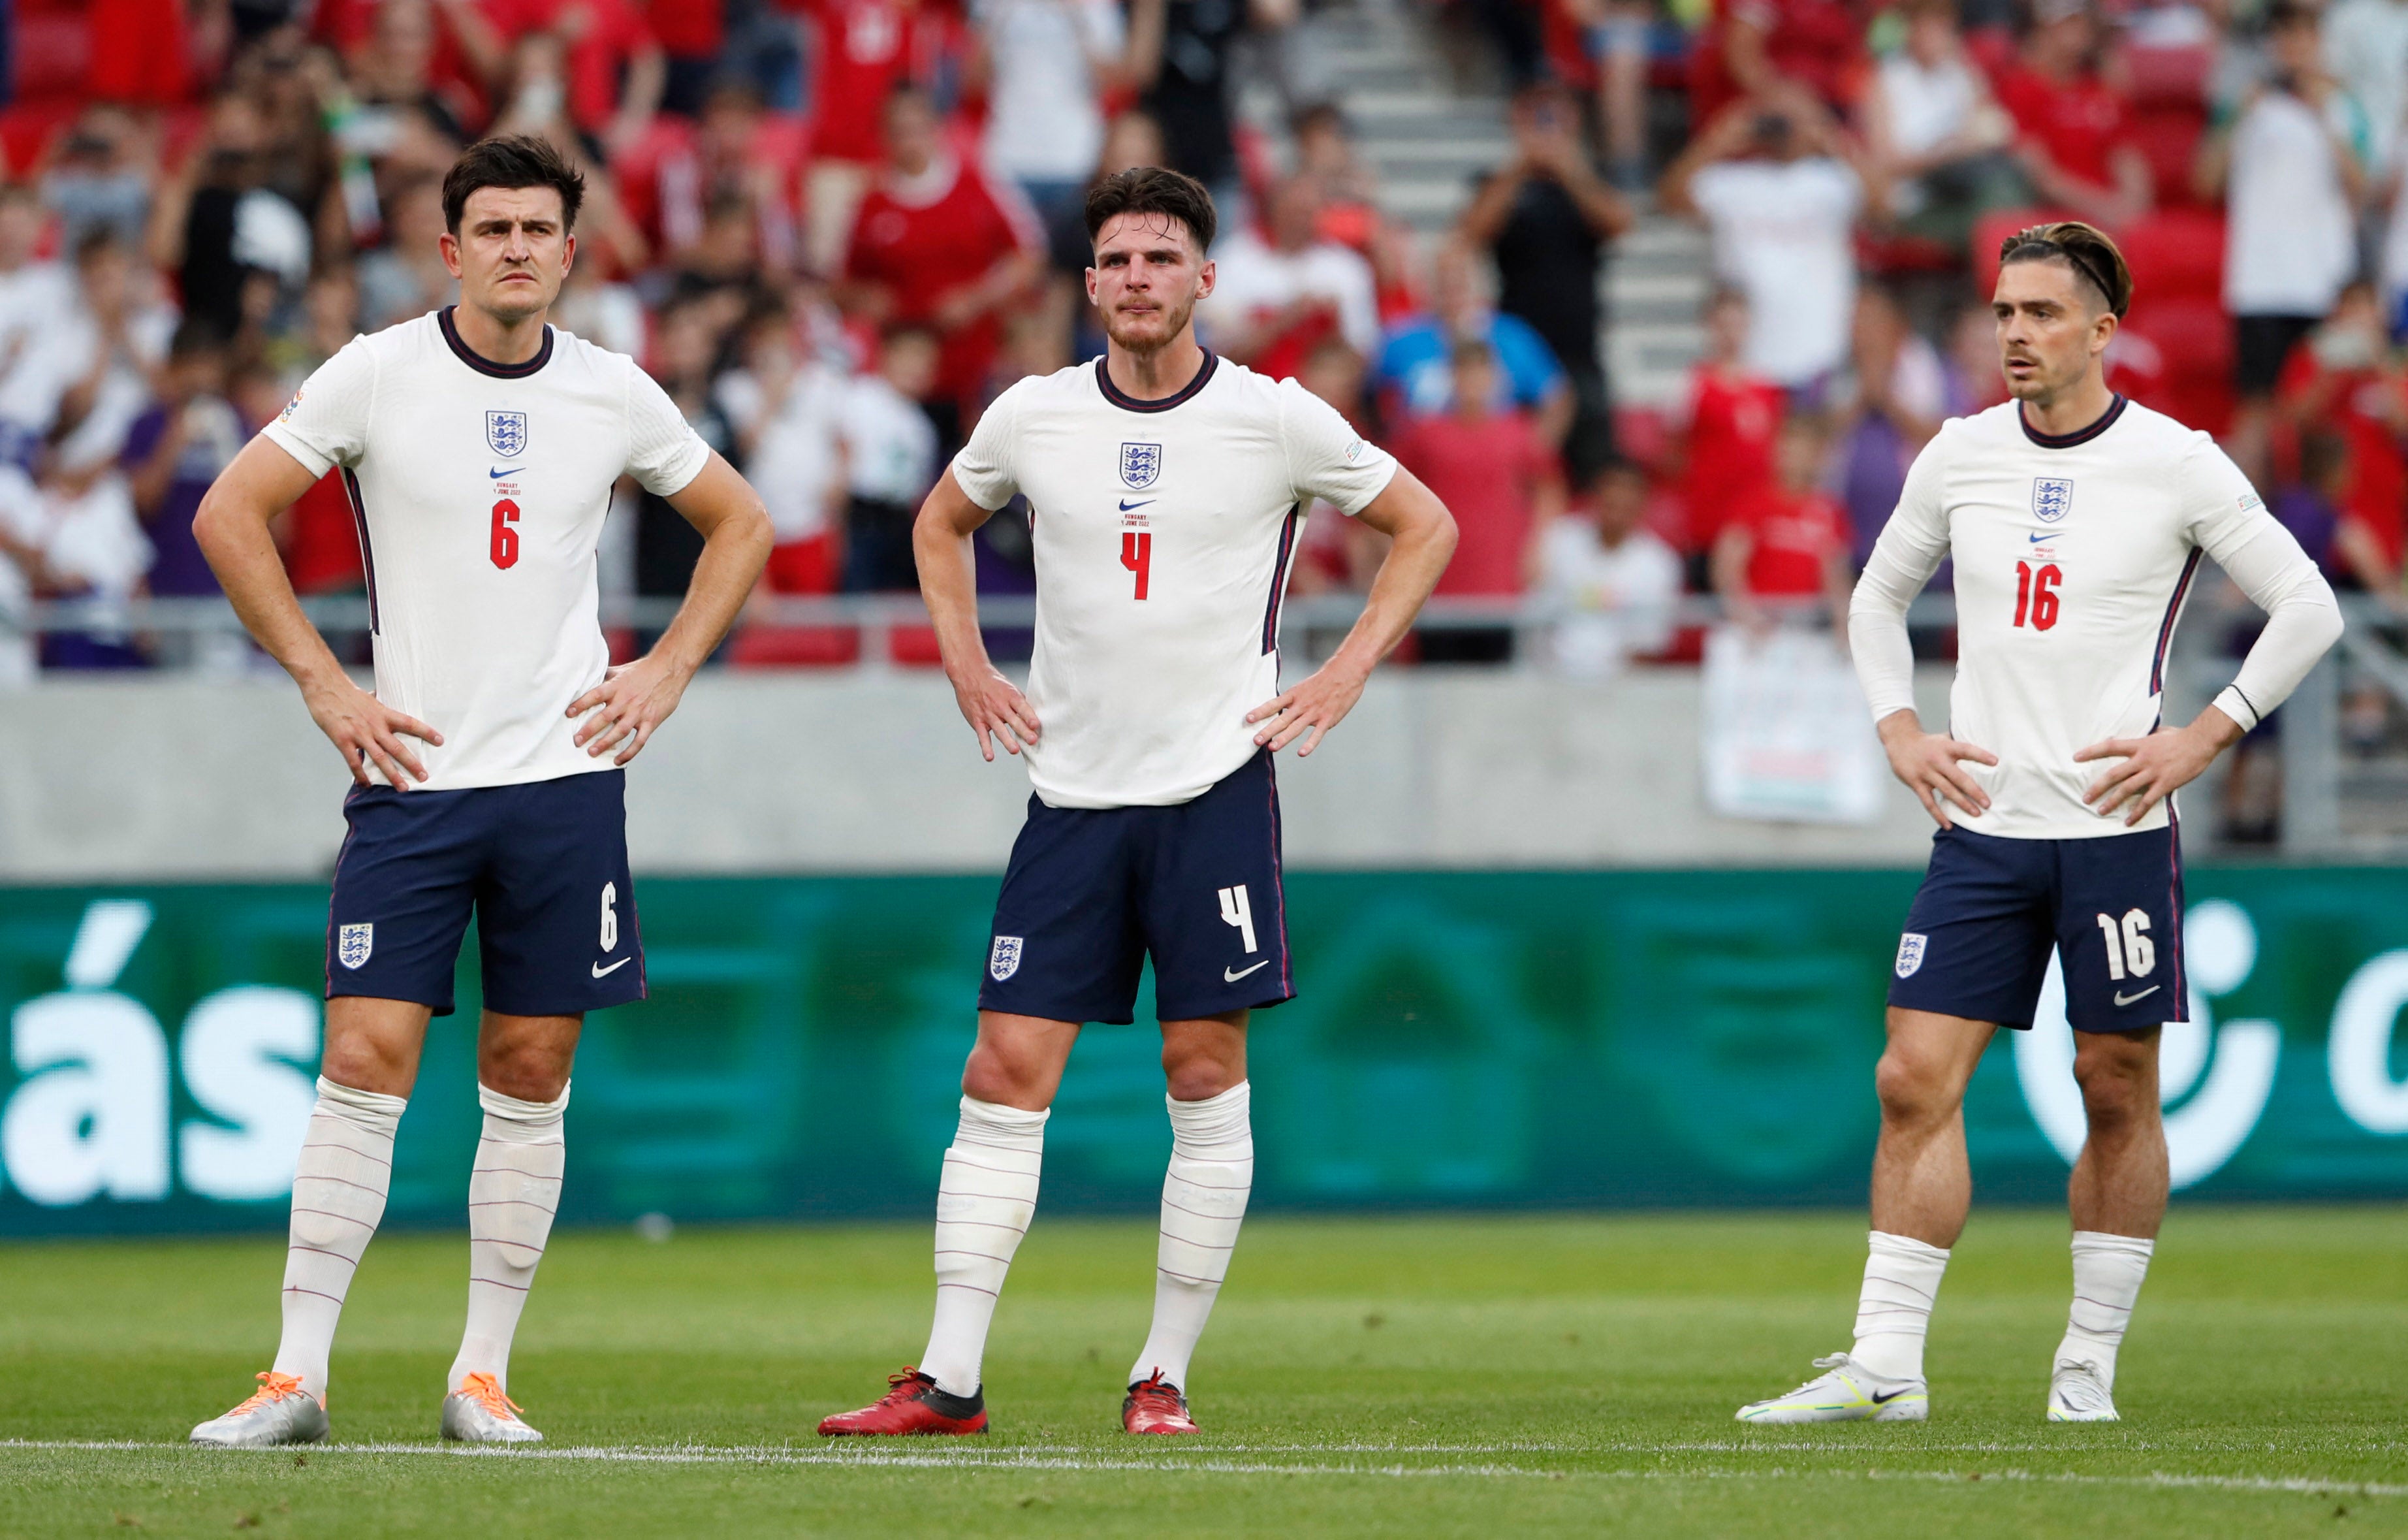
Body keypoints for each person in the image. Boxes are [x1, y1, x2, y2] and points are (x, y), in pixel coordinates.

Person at [817, 166, 1456, 1439]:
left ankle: (1159, 1374)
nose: (1135, 281)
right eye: (1113, 261)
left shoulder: (1275, 418)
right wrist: (961, 658)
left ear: (1204, 279)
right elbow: (939, 528)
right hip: (1071, 797)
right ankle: (948, 1380)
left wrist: (1341, 668)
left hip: (1211, 789)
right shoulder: (1032, 415)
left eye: (1159, 259)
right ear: (1090, 283)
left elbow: (1421, 524)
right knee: (1001, 1067)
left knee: (1200, 1065)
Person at [183, 135, 772, 1449]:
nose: (515, 247)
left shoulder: (614, 391)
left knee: (528, 1070)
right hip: (415, 781)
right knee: (363, 1060)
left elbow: (742, 524)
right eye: (490, 227)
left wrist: (666, 670)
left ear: (572, 250)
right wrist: (325, 685)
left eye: (537, 228)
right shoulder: (378, 374)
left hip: (562, 786)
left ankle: (482, 1379)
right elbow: (231, 512)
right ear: (449, 250)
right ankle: (294, 1378)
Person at [1737, 221, 2343, 1426]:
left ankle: (2085, 1366)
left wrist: (2204, 733)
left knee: (2110, 1083)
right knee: (1909, 1076)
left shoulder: (2177, 461)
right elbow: (1875, 596)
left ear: (2101, 329)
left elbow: (2306, 606)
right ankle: (1884, 1363)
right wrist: (1897, 726)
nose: (2013, 332)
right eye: (2003, 311)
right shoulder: (1957, 453)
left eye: (2040, 313)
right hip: (1983, 827)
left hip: (2117, 828)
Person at [2196, 1, 2369, 475]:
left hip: (2322, 278)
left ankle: (2312, 525)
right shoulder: (2248, 104)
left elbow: (2361, 187)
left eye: (2304, 36)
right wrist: (2239, 119)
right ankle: (2242, 522)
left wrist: (2323, 117)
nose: (2293, 48)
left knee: (2323, 409)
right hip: (2262, 280)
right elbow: (2205, 183)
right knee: (2256, 407)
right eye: (2285, 36)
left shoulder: (2341, 105)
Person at [1461, 80, 1633, 478]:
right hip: (1517, 352)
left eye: (1555, 115)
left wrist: (1569, 167)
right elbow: (1471, 233)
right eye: (1535, 115)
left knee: (1593, 466)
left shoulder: (1586, 181)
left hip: (1580, 349)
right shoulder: (1502, 184)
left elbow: (1620, 223)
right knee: (1519, 465)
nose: (1545, 127)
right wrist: (1522, 163)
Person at [1660, 90, 1864, 394]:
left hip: (1820, 353)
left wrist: (1830, 138)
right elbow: (1670, 200)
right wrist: (1718, 141)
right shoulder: (1728, 181)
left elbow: (1883, 204)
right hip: (1747, 360)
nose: (1782, 128)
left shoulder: (1831, 181)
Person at [1393, 336, 1566, 662]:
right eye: (1464, 372)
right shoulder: (1424, 433)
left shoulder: (1519, 433)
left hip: (1499, 586)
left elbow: (1549, 490)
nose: (1473, 382)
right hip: (1437, 584)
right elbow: (1395, 491)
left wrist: (1537, 547)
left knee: (1495, 689)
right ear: (1451, 376)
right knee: (1438, 687)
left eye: (1480, 372)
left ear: (1496, 378)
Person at [1373, 240, 1570, 443]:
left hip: (1494, 458)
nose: (1451, 290)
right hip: (1424, 462)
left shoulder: (1512, 337)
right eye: (1443, 281)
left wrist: (1528, 454)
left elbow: (1557, 399)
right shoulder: (1402, 338)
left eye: (1459, 280)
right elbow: (1362, 394)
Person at [1994, 0, 2150, 229]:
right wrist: (2106, 210)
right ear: (2043, 29)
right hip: (2058, 219)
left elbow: (2128, 156)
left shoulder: (2103, 91)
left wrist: (2133, 209)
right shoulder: (2020, 88)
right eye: (2069, 21)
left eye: (2083, 20)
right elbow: (2042, 176)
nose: (2081, 29)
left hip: (2114, 217)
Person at [1711, 410, 1852, 641]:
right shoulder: (1753, 505)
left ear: (1819, 456)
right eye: (1789, 449)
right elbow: (1727, 569)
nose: (1794, 458)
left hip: (1807, 629)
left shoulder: (1829, 512)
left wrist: (1843, 625)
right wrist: (1748, 617)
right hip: (1756, 627)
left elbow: (1835, 576)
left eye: (1805, 451)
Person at [1536, 457, 1683, 677]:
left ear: (1642, 505)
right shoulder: (1560, 540)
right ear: (1595, 499)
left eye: (1626, 507)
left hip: (1619, 686)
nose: (1616, 515)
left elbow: (1649, 646)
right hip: (1552, 677)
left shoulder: (1659, 564)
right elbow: (1537, 616)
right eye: (1610, 504)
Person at [1668, 285, 1783, 560]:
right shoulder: (1692, 385)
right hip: (1708, 520)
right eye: (1723, 325)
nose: (1731, 334)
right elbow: (1673, 450)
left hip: (1755, 521)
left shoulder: (1766, 388)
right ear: (1709, 326)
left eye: (1738, 324)